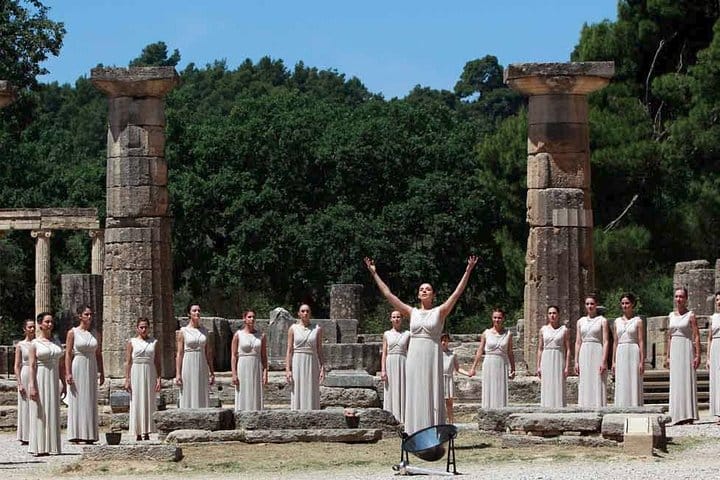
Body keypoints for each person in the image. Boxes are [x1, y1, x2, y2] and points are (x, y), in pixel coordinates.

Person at [365, 255, 478, 435]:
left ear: (433, 295)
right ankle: (414, 432)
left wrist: (468, 271)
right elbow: (388, 295)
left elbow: (457, 293)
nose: (424, 291)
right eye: (421, 289)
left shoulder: (440, 311)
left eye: (428, 289)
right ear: (418, 295)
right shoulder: (412, 312)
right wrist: (374, 273)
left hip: (432, 356)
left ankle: (433, 431)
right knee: (415, 390)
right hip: (414, 357)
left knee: (431, 390)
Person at [65, 305, 104, 444]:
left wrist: (102, 372)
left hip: (92, 366)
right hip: (78, 365)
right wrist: (68, 373)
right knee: (77, 398)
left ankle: (90, 434)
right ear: (80, 316)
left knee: (90, 398)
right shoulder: (73, 333)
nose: (89, 317)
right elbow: (68, 354)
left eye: (91, 314)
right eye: (86, 314)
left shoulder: (95, 334)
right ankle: (75, 434)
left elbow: (99, 354)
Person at [27, 312, 65, 456]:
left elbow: (61, 364)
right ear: (40, 324)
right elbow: (32, 366)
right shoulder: (34, 344)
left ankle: (52, 445)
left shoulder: (56, 342)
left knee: (53, 409)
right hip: (40, 377)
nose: (50, 324)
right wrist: (32, 385)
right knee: (40, 410)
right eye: (47, 322)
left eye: (51, 322)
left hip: (54, 377)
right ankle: (39, 446)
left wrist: (63, 381)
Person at [665, 287, 700, 424]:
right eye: (676, 296)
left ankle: (688, 414)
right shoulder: (671, 316)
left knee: (686, 379)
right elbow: (669, 337)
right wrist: (667, 356)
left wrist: (698, 355)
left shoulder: (691, 315)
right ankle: (676, 414)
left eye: (681, 297)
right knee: (676, 380)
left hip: (686, 347)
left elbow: (696, 336)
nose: (678, 299)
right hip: (675, 348)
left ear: (686, 299)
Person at [469, 308, 515, 408]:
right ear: (492, 318)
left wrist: (513, 368)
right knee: (489, 388)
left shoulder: (508, 334)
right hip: (489, 363)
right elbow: (480, 350)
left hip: (502, 363)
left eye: (499, 318)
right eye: (495, 317)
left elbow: (510, 352)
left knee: (500, 388)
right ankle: (487, 410)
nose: (497, 320)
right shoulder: (486, 333)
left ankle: (501, 412)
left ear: (503, 319)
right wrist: (473, 367)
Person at [123, 317, 161, 441]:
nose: (144, 329)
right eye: (141, 327)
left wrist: (159, 379)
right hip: (136, 371)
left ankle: (147, 431)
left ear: (149, 328)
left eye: (146, 327)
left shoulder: (154, 342)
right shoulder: (132, 342)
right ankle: (138, 431)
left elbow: (157, 361)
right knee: (137, 400)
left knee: (149, 400)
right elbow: (128, 361)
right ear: (137, 328)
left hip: (150, 371)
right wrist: (127, 379)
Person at [285, 304, 325, 410]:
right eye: (302, 311)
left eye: (307, 311)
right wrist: (288, 369)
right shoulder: (293, 329)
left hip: (312, 361)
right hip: (297, 361)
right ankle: (297, 412)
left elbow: (319, 349)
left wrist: (322, 368)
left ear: (310, 313)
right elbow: (289, 350)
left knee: (311, 387)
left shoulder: (317, 329)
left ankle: (312, 411)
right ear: (298, 313)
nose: (305, 313)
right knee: (298, 387)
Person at [175, 303, 215, 408]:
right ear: (189, 314)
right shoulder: (183, 331)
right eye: (194, 311)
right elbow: (179, 353)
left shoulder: (205, 331)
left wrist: (212, 372)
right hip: (188, 363)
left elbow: (208, 353)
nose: (197, 312)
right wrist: (178, 373)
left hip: (202, 363)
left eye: (199, 311)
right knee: (188, 390)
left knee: (201, 390)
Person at [575, 294, 609, 408]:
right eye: (587, 304)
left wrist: (604, 361)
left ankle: (598, 405)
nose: (590, 306)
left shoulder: (602, 320)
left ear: (596, 305)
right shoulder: (580, 321)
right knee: (585, 379)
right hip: (584, 351)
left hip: (597, 349)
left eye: (592, 304)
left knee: (598, 378)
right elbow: (578, 342)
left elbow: (606, 341)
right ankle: (584, 405)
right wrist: (576, 361)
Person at [612, 293, 644, 407]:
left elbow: (641, 341)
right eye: (623, 303)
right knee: (622, 379)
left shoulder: (638, 321)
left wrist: (642, 361)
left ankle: (635, 404)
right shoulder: (617, 322)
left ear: (632, 304)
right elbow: (615, 342)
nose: (625, 306)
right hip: (621, 350)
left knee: (633, 378)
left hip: (633, 350)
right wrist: (613, 361)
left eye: (627, 303)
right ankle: (621, 405)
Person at [231, 310, 268, 411]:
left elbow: (264, 356)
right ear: (244, 319)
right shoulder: (238, 335)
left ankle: (256, 414)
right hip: (243, 366)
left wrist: (265, 373)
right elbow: (233, 356)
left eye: (253, 317)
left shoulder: (261, 336)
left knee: (256, 391)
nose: (252, 319)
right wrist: (234, 374)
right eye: (249, 317)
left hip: (256, 366)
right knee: (243, 391)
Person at [536, 305, 570, 407]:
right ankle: (547, 405)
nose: (552, 315)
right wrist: (538, 366)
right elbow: (540, 348)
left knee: (558, 382)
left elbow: (568, 349)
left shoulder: (564, 330)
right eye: (550, 313)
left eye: (554, 313)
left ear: (558, 315)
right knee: (547, 382)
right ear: (547, 315)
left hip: (558, 357)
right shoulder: (543, 330)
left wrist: (567, 366)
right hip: (546, 357)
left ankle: (559, 406)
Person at [380, 310, 410, 422]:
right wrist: (383, 370)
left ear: (401, 319)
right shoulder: (386, 334)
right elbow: (384, 353)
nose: (396, 319)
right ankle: (390, 417)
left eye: (398, 317)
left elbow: (410, 352)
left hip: (403, 362)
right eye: (394, 317)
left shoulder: (407, 334)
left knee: (403, 388)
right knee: (390, 389)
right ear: (390, 319)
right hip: (390, 362)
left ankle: (403, 418)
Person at [14, 319, 35, 445]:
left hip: (36, 373)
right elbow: (17, 365)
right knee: (25, 405)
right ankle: (25, 435)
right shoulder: (20, 345)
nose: (32, 329)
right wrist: (19, 383)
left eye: (33, 327)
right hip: (26, 372)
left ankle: (36, 433)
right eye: (30, 327)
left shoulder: (38, 343)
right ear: (24, 329)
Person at [440, 333, 460, 423]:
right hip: (438, 379)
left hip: (448, 379)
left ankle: (451, 422)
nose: (443, 342)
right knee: (437, 403)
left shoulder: (453, 354)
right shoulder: (435, 353)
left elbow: (458, 368)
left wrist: (469, 373)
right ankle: (439, 422)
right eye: (441, 340)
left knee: (449, 403)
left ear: (448, 341)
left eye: (445, 340)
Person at [708, 291, 720, 423]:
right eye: (717, 300)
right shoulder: (713, 318)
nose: (719, 302)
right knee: (717, 380)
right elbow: (710, 338)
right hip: (715, 347)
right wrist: (708, 358)